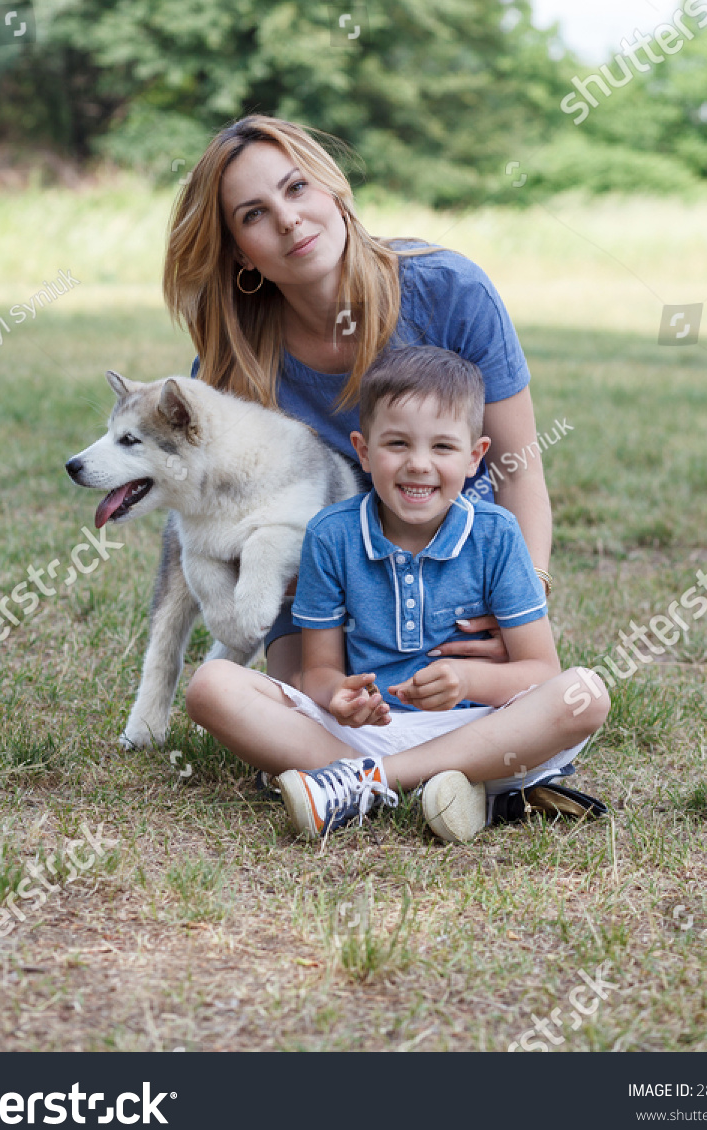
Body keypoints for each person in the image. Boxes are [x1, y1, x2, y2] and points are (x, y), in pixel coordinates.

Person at [162, 113, 554, 692]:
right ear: (241, 254)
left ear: (334, 190)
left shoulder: (451, 293)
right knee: (289, 701)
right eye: (254, 215)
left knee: (530, 696)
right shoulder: (231, 369)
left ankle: (371, 772)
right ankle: (371, 763)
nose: (289, 219)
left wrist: (526, 595)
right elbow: (216, 524)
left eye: (297, 187)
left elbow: (518, 472)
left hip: (457, 580)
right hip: (322, 602)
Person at [186, 345, 609, 842]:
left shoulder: (496, 534)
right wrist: (337, 696)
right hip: (360, 735)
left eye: (443, 448)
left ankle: (365, 784)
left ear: (476, 458)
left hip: (479, 729)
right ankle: (446, 787)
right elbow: (318, 670)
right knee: (211, 686)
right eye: (397, 444)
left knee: (586, 694)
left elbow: (540, 672)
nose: (419, 465)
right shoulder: (332, 534)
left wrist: (466, 680)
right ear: (363, 451)